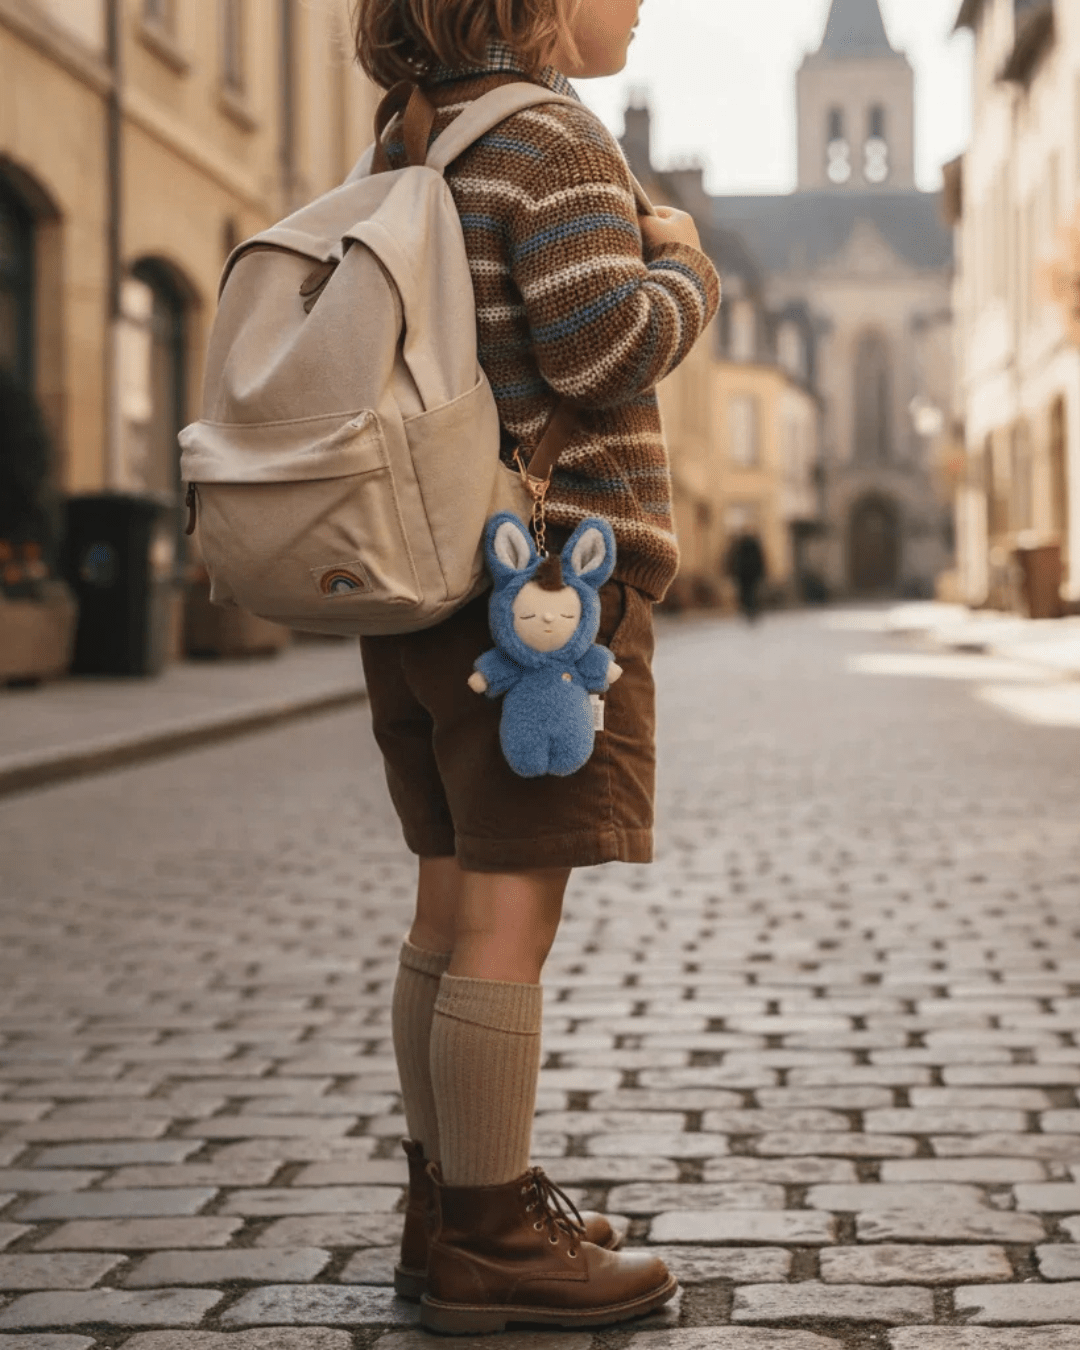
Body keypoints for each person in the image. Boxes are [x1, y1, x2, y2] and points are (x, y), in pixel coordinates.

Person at [353, 0, 720, 1334]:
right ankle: (495, 1238)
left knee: (445, 912)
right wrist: (687, 272)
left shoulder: (412, 139)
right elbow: (600, 346)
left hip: (420, 586)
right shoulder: (555, 140)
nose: (642, 5)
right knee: (511, 921)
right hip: (542, 598)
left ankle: (445, 1197)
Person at [727, 531, 767, 623]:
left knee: (745, 593)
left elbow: (734, 561)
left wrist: (734, 572)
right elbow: (760, 561)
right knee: (752, 592)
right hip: (752, 574)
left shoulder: (739, 548)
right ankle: (751, 609)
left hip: (743, 575)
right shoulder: (753, 548)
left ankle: (748, 610)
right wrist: (761, 573)